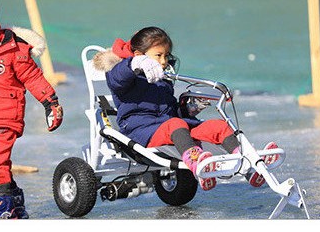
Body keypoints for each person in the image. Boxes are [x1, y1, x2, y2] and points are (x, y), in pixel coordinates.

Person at [94, 26, 279, 191]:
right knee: (175, 124)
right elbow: (117, 78)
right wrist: (136, 64)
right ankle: (197, 164)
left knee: (218, 126)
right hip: (142, 131)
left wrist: (188, 109)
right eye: (158, 55)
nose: (164, 61)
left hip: (170, 127)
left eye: (166, 55)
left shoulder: (163, 78)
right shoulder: (123, 74)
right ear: (138, 55)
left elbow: (169, 110)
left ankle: (249, 167)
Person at [0, 0, 63, 219]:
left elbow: (33, 77)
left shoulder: (13, 51)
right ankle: (15, 202)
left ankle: (3, 207)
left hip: (5, 117)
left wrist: (50, 103)